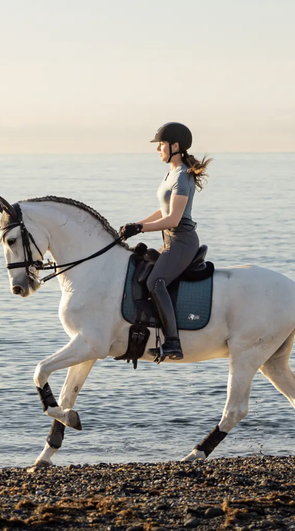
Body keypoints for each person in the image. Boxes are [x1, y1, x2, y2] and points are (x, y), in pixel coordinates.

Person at [118, 122, 211, 361]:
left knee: (155, 281)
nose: (158, 149)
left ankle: (173, 343)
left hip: (182, 240)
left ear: (175, 146)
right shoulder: (171, 173)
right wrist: (135, 225)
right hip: (170, 239)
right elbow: (162, 211)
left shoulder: (182, 176)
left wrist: (140, 228)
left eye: (161, 145)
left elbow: (174, 218)